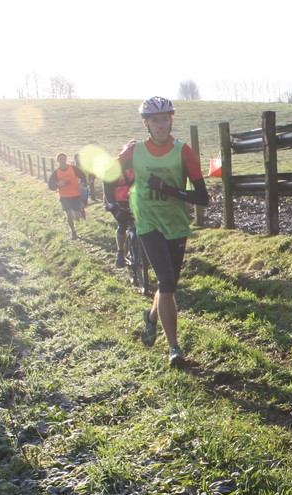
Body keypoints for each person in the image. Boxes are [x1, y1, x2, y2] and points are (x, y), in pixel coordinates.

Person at [105, 96, 209, 368]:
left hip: (175, 223)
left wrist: (168, 189)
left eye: (165, 119)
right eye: (155, 120)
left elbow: (202, 197)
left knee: (168, 285)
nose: (161, 125)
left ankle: (151, 317)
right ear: (146, 124)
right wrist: (113, 205)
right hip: (147, 222)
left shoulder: (183, 151)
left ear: (171, 120)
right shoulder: (134, 151)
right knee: (166, 281)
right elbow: (108, 175)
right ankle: (174, 348)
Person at [47, 152, 87, 239]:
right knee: (69, 216)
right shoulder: (56, 172)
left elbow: (83, 175)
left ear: (66, 159)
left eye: (64, 158)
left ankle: (80, 210)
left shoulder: (73, 168)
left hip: (75, 195)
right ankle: (73, 232)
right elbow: (50, 185)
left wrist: (83, 184)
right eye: (60, 159)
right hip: (64, 197)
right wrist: (57, 185)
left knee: (77, 215)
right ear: (58, 161)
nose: (62, 160)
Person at [105, 168, 135, 268]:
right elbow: (107, 187)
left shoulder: (138, 163)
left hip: (138, 199)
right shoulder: (114, 167)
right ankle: (120, 252)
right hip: (120, 202)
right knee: (122, 225)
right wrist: (112, 203)